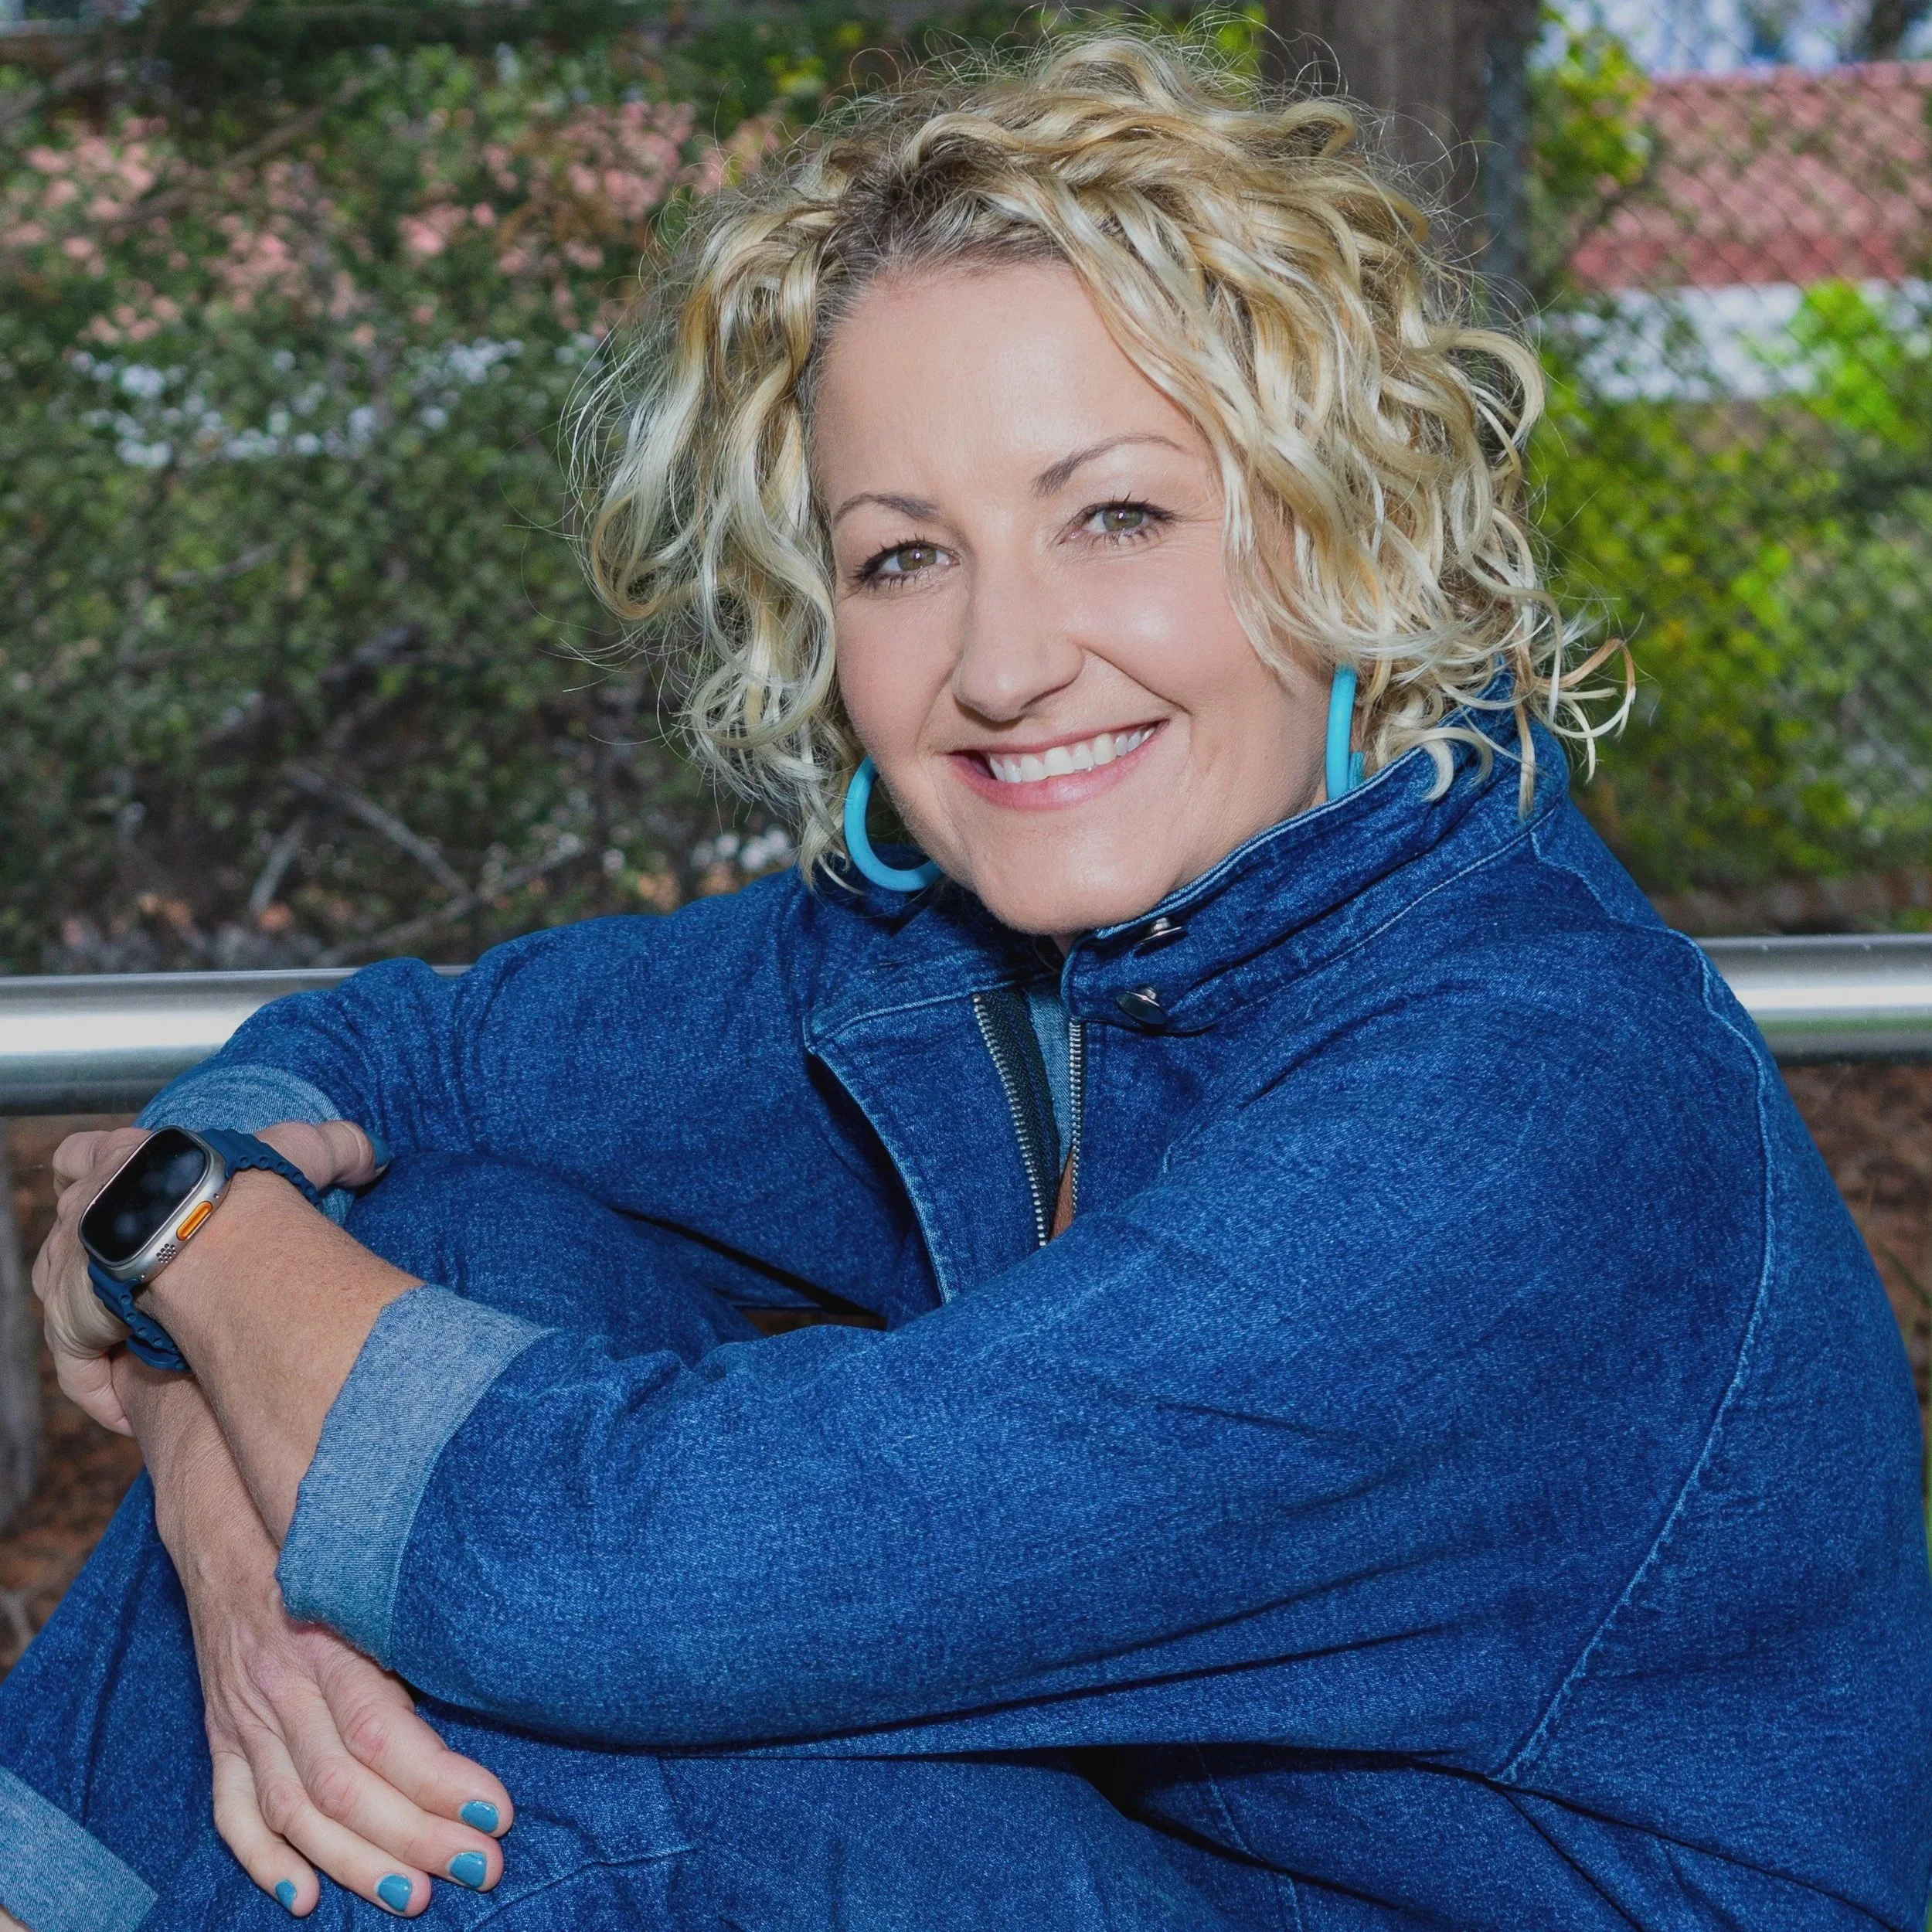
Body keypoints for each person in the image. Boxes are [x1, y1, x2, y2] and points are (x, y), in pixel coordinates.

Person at [5, 30, 1930, 1932]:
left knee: (531, 1810)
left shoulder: (1522, 1108)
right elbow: (408, 1056)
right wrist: (215, 1469)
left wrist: (184, 1245)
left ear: (1344, 520)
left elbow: (617, 1576)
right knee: (460, 1228)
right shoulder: (972, 951)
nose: (1001, 661)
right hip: (1153, 1852)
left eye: (1115, 514)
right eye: (906, 553)